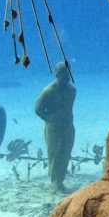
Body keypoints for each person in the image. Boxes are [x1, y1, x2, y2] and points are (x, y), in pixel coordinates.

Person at [34, 61, 76, 193]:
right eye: (64, 74)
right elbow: (38, 109)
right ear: (58, 74)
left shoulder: (72, 91)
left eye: (68, 74)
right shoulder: (48, 91)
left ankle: (60, 177)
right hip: (54, 128)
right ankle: (56, 182)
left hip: (68, 126)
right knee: (54, 153)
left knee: (65, 152)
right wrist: (50, 119)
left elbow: (68, 108)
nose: (67, 77)